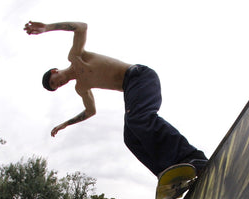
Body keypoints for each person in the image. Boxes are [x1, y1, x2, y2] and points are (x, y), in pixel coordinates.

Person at [24, 20, 208, 178]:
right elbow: (90, 111)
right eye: (56, 87)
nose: (59, 84)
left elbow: (81, 27)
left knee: (138, 119)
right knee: (130, 137)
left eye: (54, 81)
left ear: (55, 71)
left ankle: (193, 156)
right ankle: (169, 173)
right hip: (131, 90)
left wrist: (47, 27)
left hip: (140, 76)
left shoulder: (75, 56)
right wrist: (65, 124)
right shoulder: (81, 88)